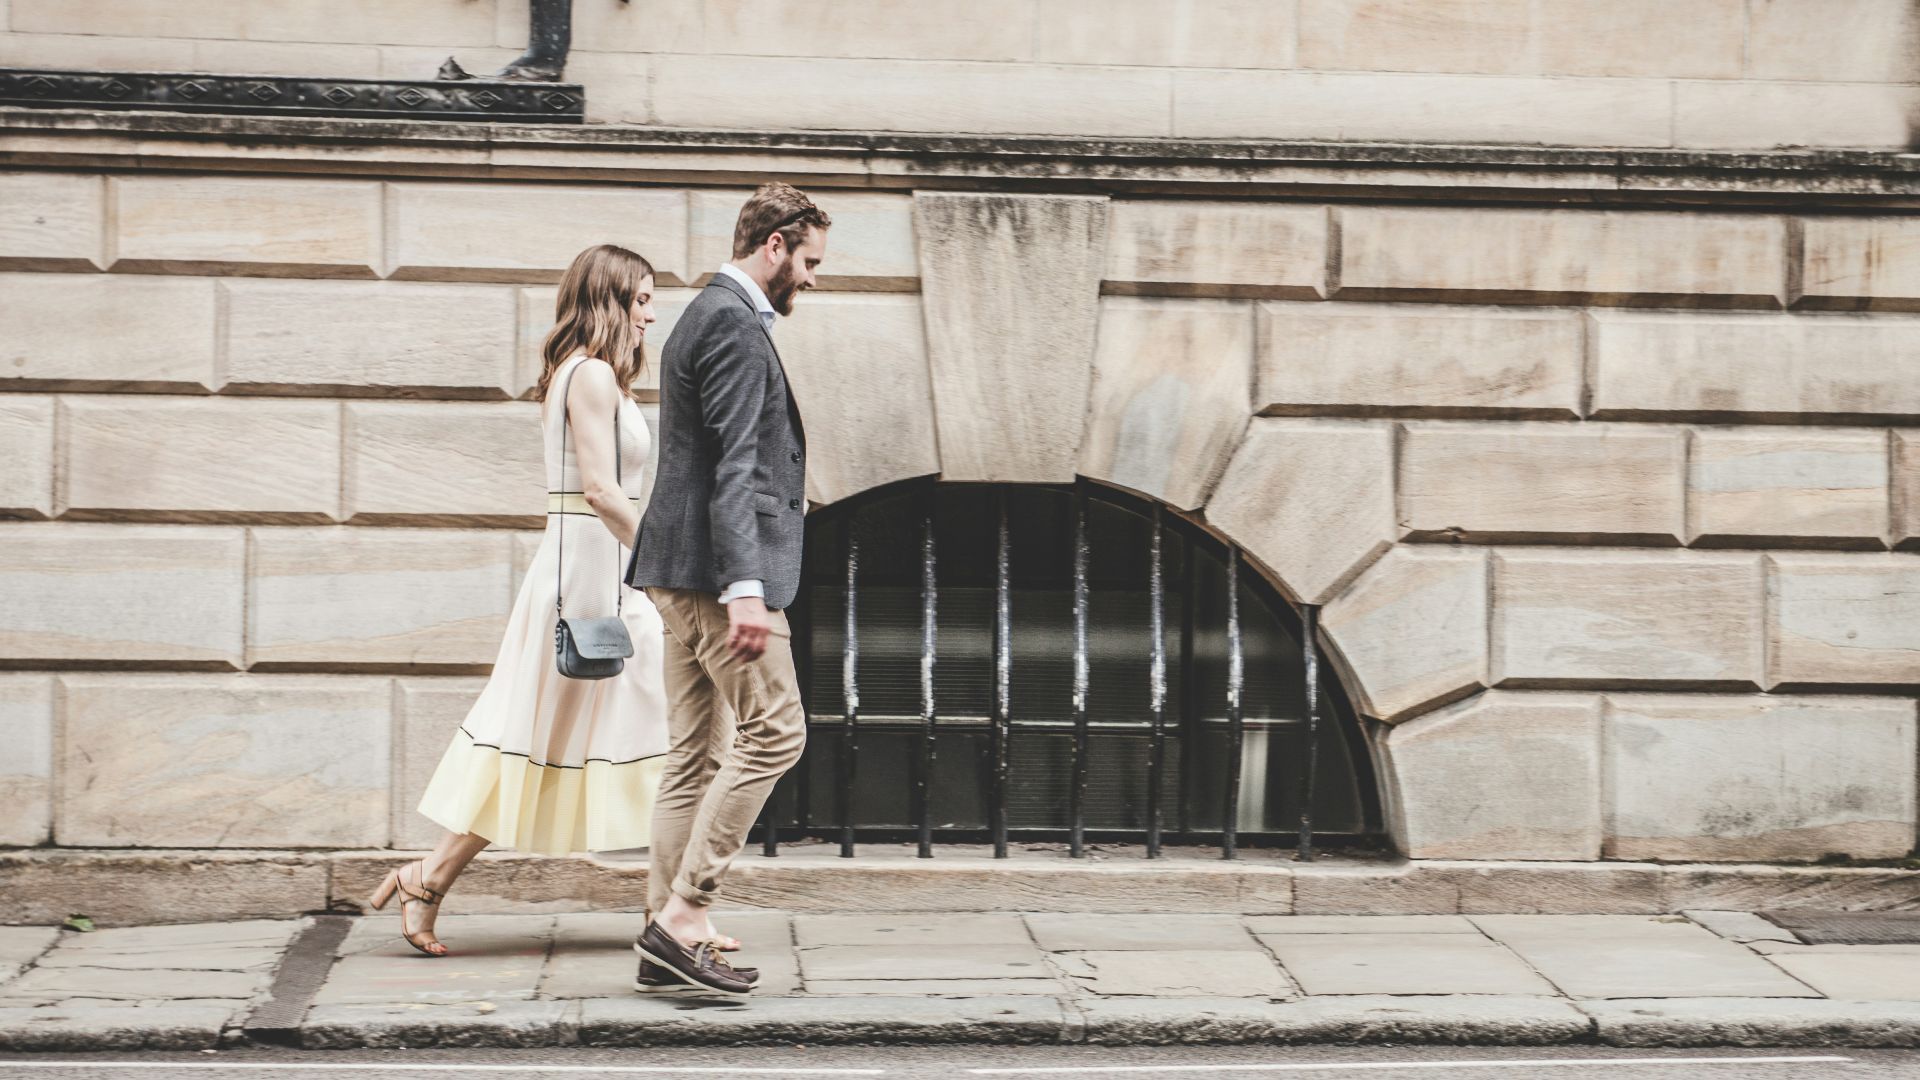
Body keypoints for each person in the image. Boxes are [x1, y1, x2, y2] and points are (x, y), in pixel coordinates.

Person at [367, 244, 668, 957]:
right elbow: (598, 490)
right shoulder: (590, 375)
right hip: (591, 581)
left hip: (599, 573)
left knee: (609, 735)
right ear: (611, 299)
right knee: (550, 739)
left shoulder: (587, 375)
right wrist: (663, 561)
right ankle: (430, 876)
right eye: (643, 299)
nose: (653, 314)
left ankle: (679, 909)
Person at [628, 182, 831, 997]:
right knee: (777, 733)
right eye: (810, 261)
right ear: (774, 245)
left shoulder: (704, 315)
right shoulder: (735, 327)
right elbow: (737, 468)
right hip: (718, 577)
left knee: (694, 756)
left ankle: (664, 931)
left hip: (675, 571)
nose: (813, 279)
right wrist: (746, 587)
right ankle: (684, 913)